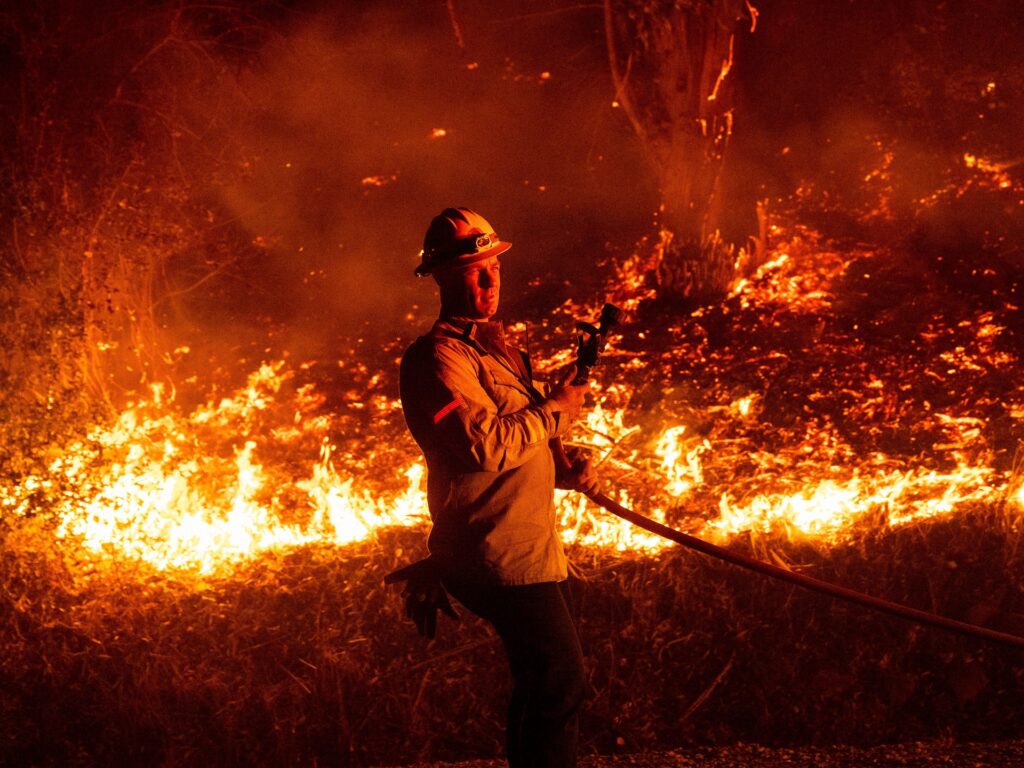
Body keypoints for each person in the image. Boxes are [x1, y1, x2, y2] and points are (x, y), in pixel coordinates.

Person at [391, 207, 598, 768]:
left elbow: (514, 447)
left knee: (544, 682)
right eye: (471, 271)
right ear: (439, 277)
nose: (487, 281)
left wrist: (561, 473)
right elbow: (484, 447)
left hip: (531, 545)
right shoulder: (438, 359)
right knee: (559, 678)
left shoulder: (495, 350)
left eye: (493, 268)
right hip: (495, 553)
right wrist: (556, 411)